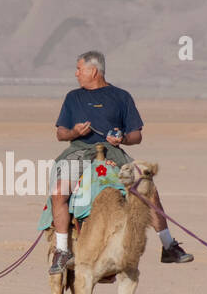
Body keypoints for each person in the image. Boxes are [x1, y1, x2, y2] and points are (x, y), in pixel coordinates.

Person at [47, 51, 193, 274]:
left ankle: (168, 246)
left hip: (113, 154)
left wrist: (122, 138)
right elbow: (60, 133)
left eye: (79, 69)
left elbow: (137, 136)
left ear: (93, 71)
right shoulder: (72, 97)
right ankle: (61, 250)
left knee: (148, 189)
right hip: (78, 152)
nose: (76, 74)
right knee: (59, 191)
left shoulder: (122, 97)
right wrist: (74, 132)